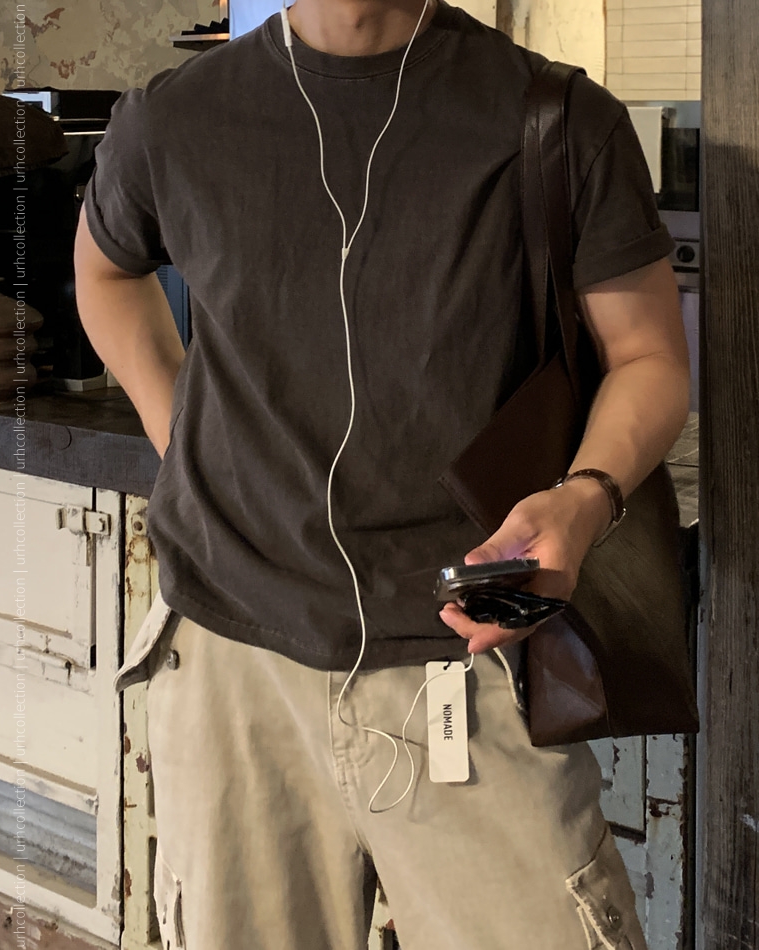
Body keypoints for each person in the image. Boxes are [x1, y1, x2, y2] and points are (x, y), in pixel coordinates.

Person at [74, 0, 690, 946]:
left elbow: (648, 356)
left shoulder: (559, 118)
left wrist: (584, 498)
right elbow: (105, 272)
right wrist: (181, 436)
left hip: (471, 654)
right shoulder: (174, 118)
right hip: (236, 668)